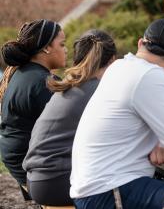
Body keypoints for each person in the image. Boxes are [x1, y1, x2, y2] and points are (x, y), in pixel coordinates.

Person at [70, 18, 164, 209]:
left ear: (140, 43)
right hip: (109, 190)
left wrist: (162, 140)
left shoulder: (119, 67)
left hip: (92, 186)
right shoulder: (151, 75)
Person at [22, 30, 116, 206]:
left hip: (36, 179)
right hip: (55, 182)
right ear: (112, 61)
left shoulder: (72, 83)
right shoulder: (100, 90)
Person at [0, 19, 66, 198]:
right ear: (46, 48)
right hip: (30, 166)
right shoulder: (43, 83)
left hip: (16, 158)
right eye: (62, 44)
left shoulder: (21, 72)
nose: (66, 50)